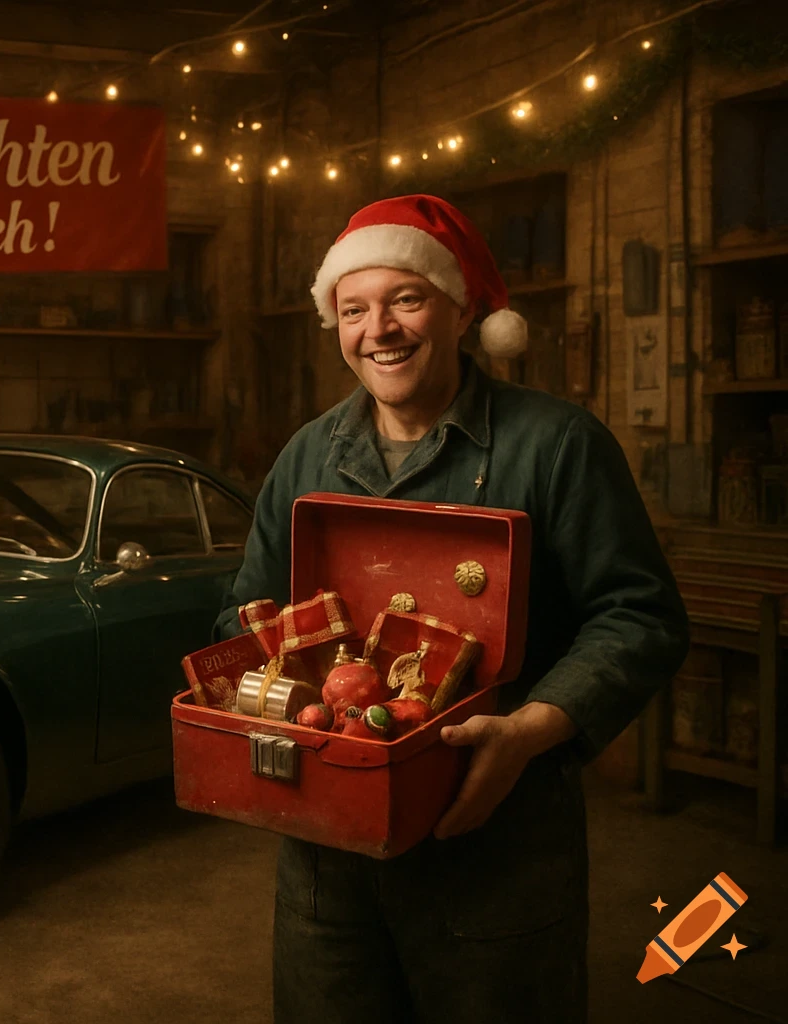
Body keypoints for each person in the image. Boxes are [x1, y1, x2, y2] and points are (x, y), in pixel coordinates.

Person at [215, 194, 689, 1023]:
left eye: (406, 299)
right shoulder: (307, 455)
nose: (380, 329)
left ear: (460, 310)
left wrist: (526, 732)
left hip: (498, 844)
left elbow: (640, 617)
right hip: (329, 851)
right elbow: (244, 613)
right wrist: (269, 690)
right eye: (355, 309)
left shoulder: (559, 444)